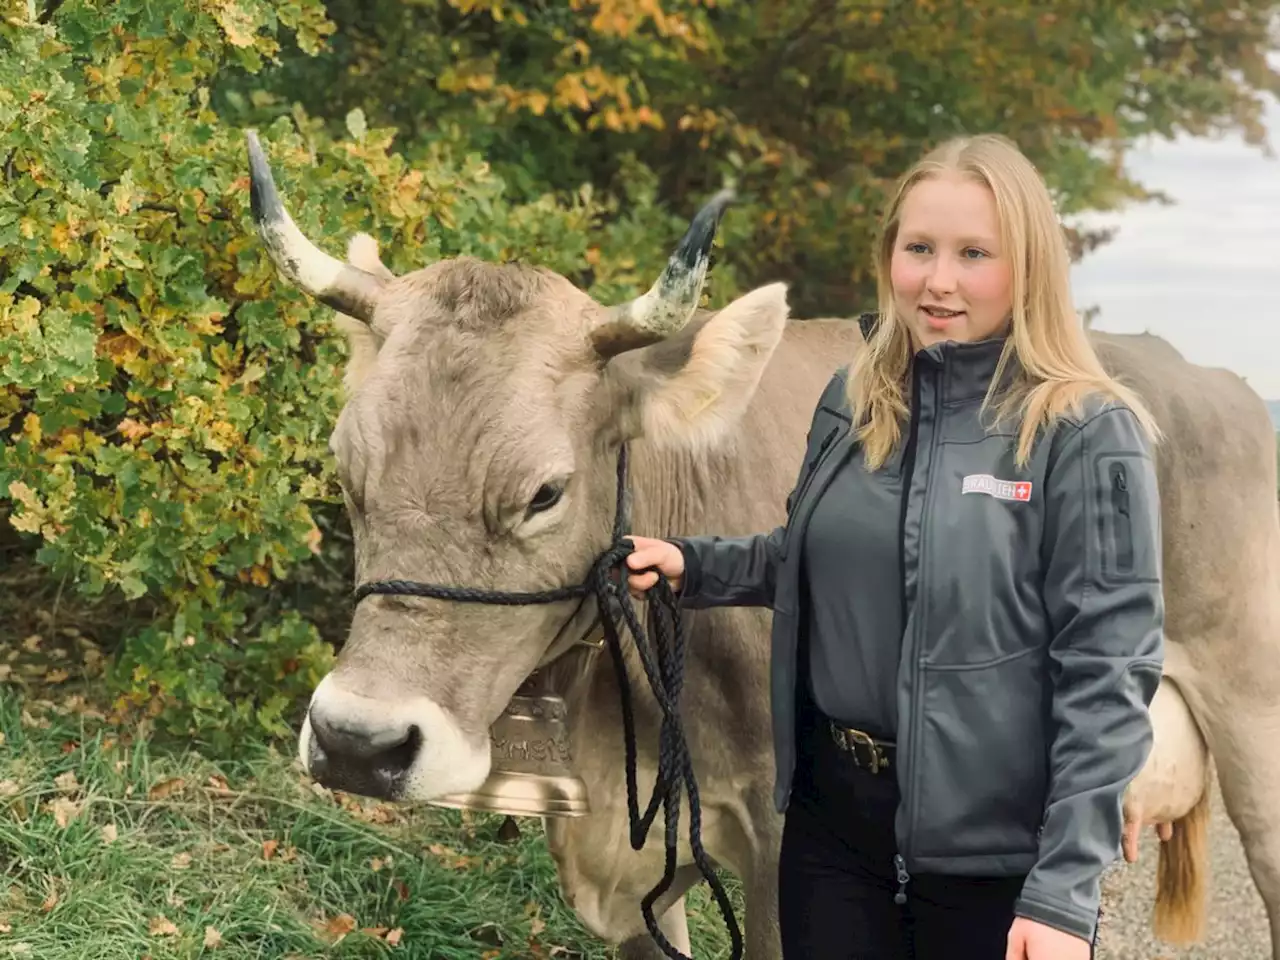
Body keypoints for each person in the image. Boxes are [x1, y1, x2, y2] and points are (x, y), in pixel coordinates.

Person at [624, 133, 1166, 960]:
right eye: (919, 248)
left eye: (974, 254)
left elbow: (1111, 670)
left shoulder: (1085, 431)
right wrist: (696, 566)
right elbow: (820, 560)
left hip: (996, 857)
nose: (938, 280)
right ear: (890, 256)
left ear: (1029, 268)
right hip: (833, 834)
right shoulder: (854, 399)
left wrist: (1062, 895)